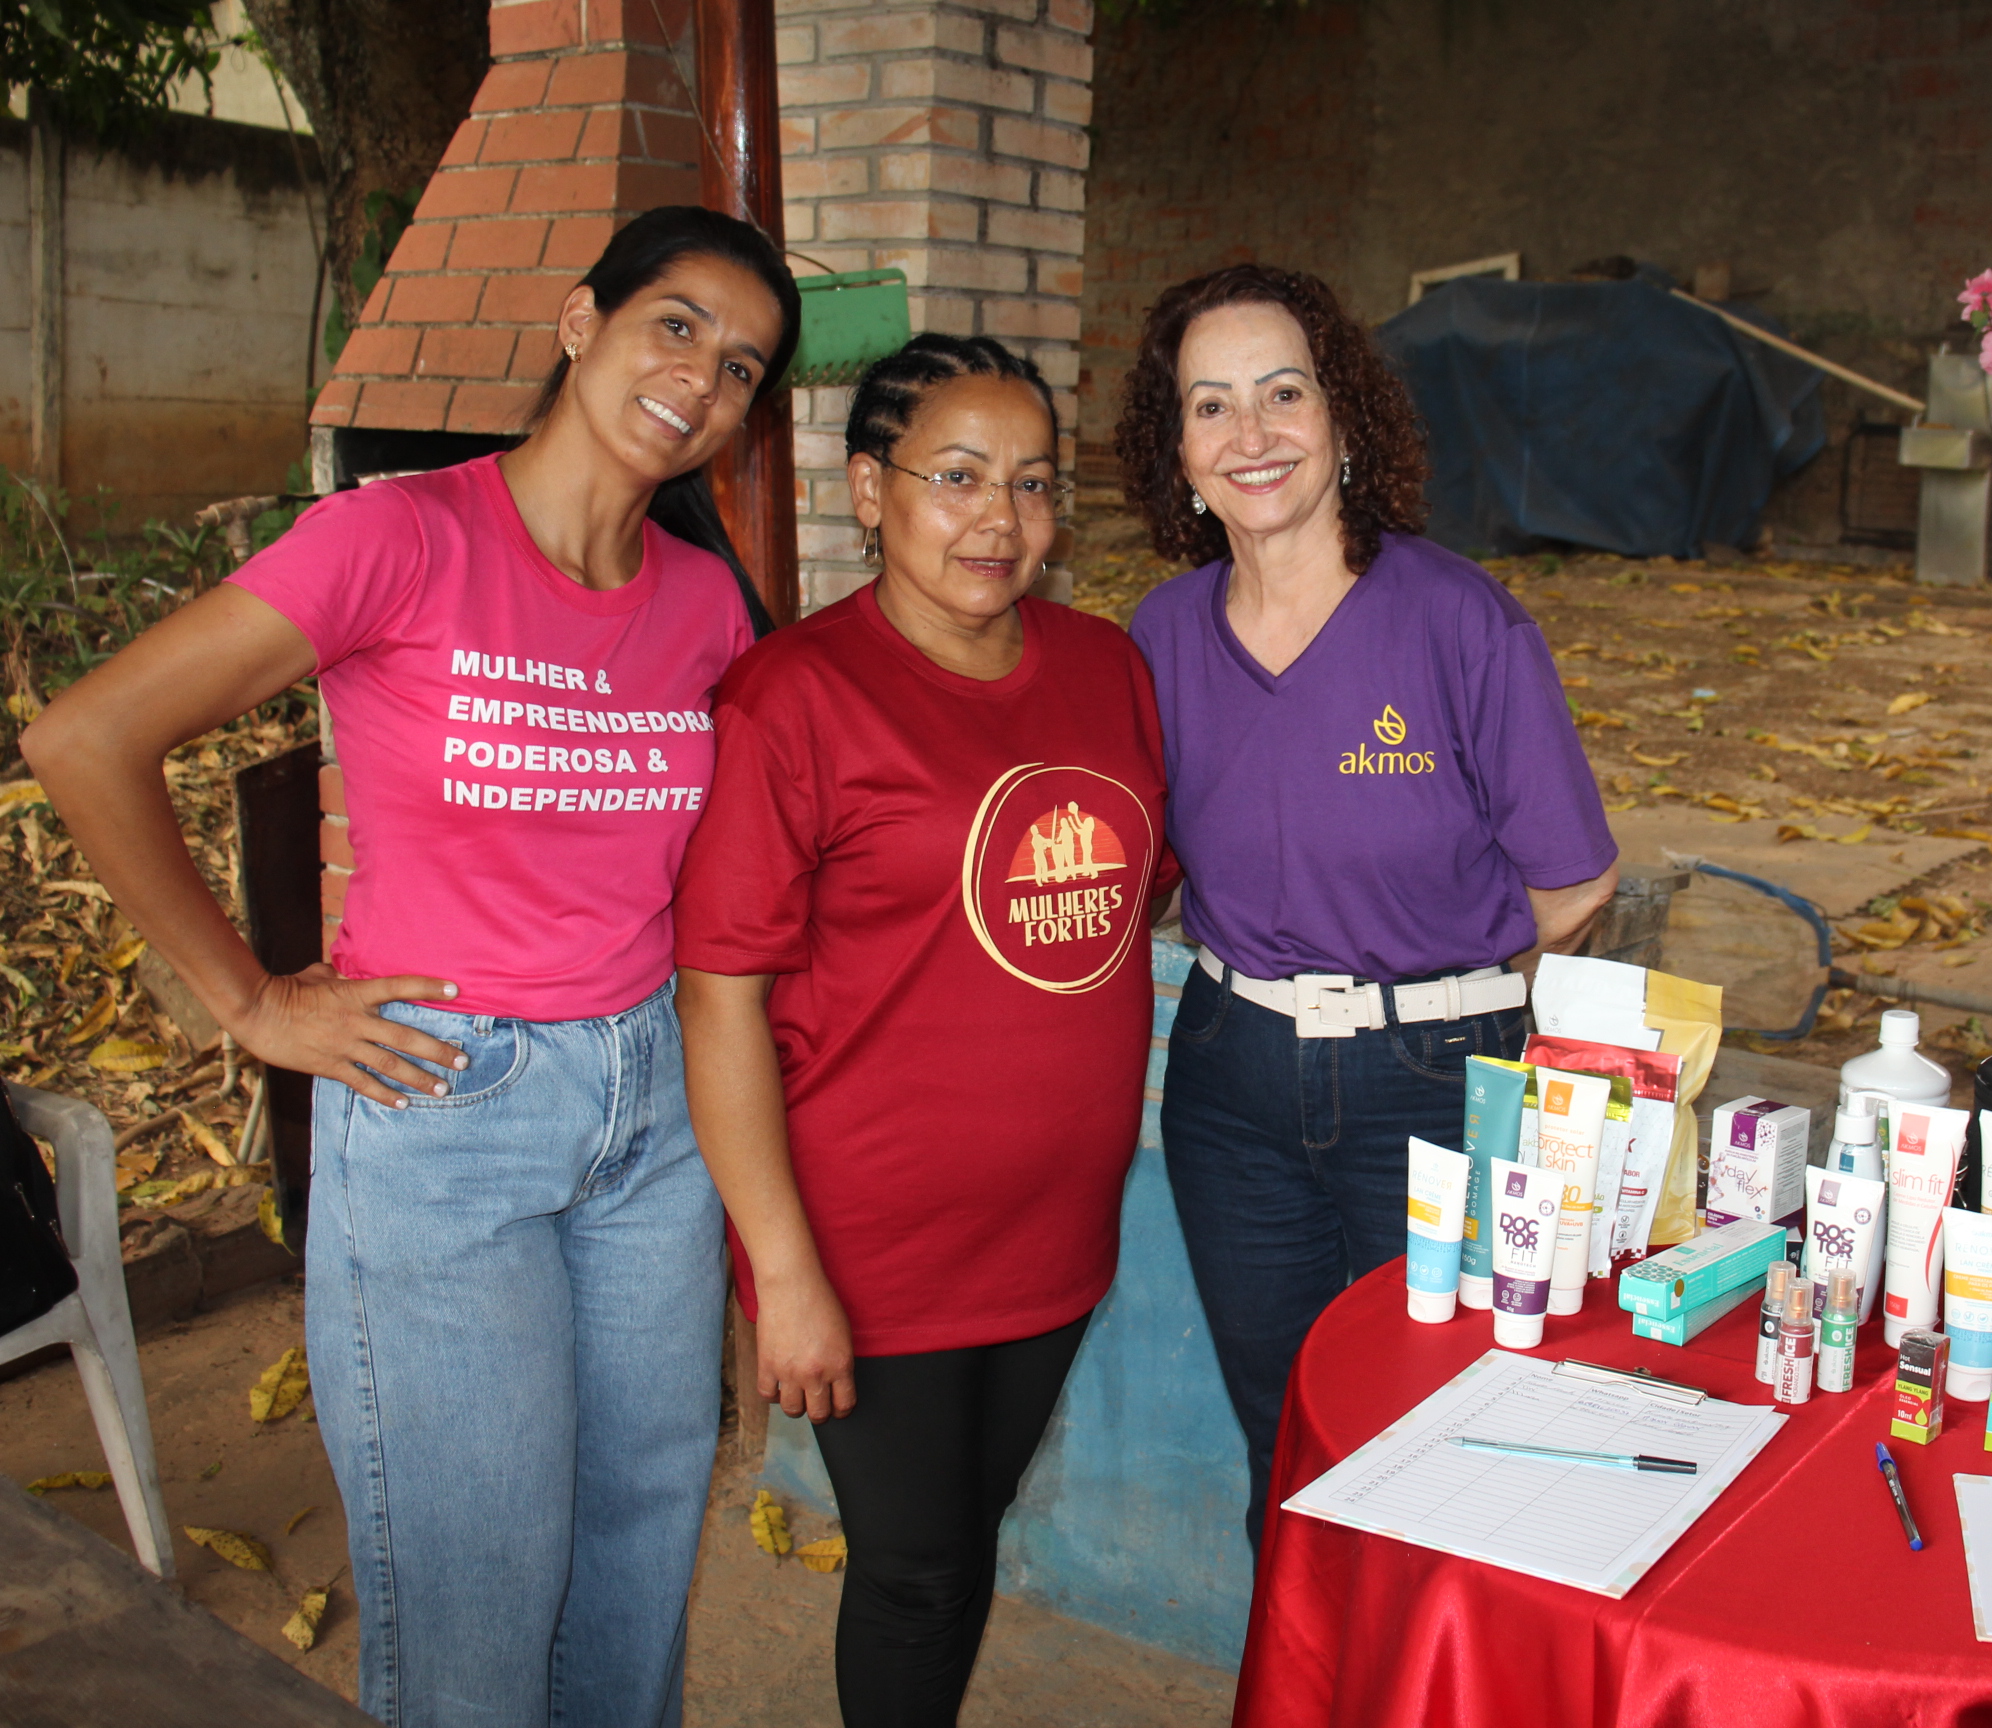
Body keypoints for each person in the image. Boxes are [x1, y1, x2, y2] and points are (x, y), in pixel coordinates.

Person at [23, 205, 800, 1726]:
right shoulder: (402, 536)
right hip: (449, 1110)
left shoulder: (705, 604)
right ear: (580, 323)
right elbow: (86, 737)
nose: (703, 379)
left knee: (640, 1544)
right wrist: (252, 1003)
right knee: (476, 1588)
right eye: (677, 327)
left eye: (742, 368)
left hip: (655, 1117)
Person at [673, 333, 1176, 1728]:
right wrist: (783, 1273)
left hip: (1055, 1227)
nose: (999, 518)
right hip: (872, 1238)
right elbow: (719, 996)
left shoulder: (1107, 670)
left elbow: (1129, 898)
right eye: (956, 476)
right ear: (867, 491)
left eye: (1031, 482)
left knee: (967, 1533)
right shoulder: (795, 695)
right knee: (915, 1568)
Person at [1116, 264, 1617, 1550]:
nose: (1251, 434)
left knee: (1437, 1444)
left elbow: (1575, 883)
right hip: (1230, 1080)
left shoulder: (1459, 621)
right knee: (1283, 1442)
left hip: (1432, 1088)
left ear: (1342, 414)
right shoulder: (1158, 639)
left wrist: (1448, 998)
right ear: (1179, 451)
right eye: (1211, 405)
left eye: (1282, 393)